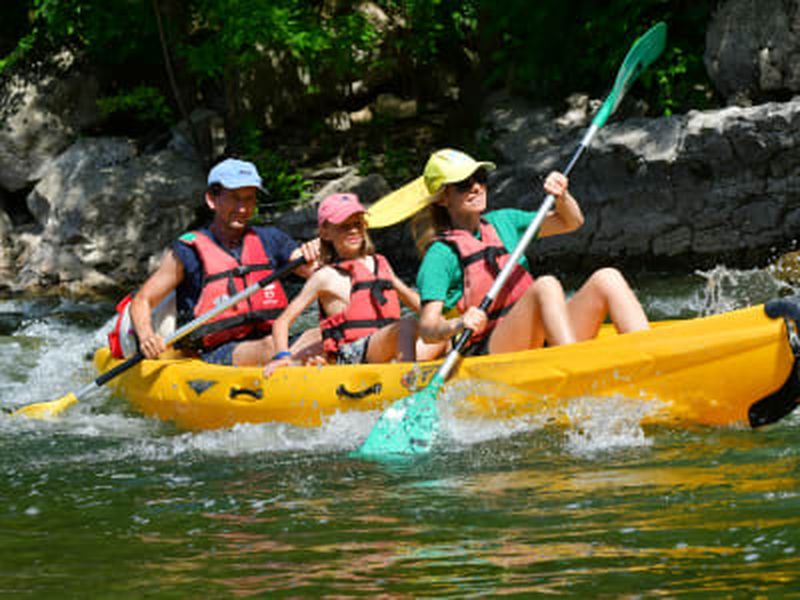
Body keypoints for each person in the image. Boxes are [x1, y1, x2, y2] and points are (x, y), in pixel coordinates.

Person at [409, 148, 649, 356]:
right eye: (463, 184)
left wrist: (562, 197)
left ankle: (650, 354)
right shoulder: (440, 254)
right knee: (545, 286)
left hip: (539, 337)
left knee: (607, 278)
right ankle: (575, 367)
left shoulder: (505, 221)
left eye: (480, 178)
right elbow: (429, 330)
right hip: (491, 349)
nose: (476, 188)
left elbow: (571, 222)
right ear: (443, 199)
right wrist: (458, 324)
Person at [130, 158, 320, 366]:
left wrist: (316, 254)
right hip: (214, 353)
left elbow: (313, 271)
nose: (243, 208)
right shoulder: (188, 250)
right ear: (212, 200)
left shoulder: (271, 239)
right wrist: (147, 336)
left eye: (249, 199)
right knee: (271, 345)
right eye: (235, 198)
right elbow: (143, 300)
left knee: (324, 335)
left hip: (272, 340)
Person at [264, 192, 440, 377]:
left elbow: (414, 300)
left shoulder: (380, 263)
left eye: (357, 224)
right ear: (325, 232)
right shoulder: (324, 277)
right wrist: (283, 355)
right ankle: (407, 382)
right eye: (344, 226)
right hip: (351, 356)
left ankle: (426, 369)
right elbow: (282, 322)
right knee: (407, 325)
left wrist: (442, 322)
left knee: (438, 336)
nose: (353, 231)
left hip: (384, 346)